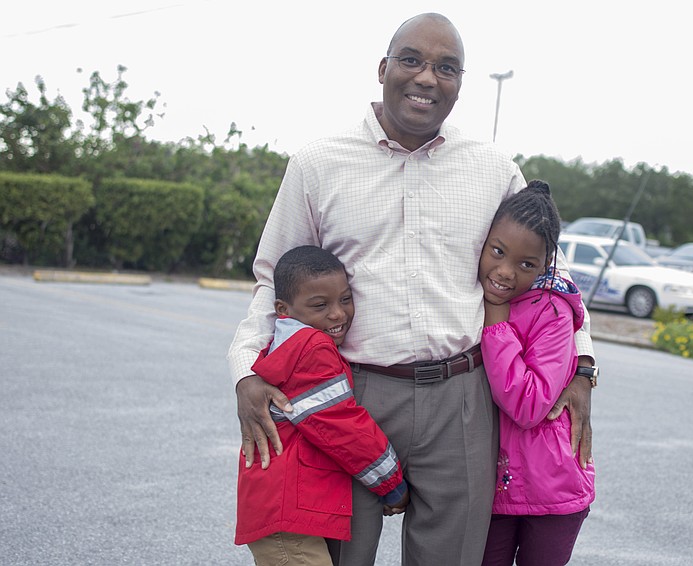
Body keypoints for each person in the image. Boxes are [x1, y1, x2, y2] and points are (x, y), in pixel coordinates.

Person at [227, 13, 598, 566]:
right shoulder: (318, 163)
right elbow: (271, 277)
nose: (427, 77)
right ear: (383, 69)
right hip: (353, 398)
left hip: (464, 401)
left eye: (445, 68)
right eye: (412, 61)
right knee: (343, 559)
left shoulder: (493, 169)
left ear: (459, 84)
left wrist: (583, 365)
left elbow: (548, 277)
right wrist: (245, 371)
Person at [235, 246, 409, 566]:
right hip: (286, 516)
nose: (338, 314)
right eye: (320, 305)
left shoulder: (288, 342)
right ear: (282, 309)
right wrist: (391, 483)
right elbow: (342, 426)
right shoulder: (312, 348)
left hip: (278, 510)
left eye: (345, 299)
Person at [478, 181, 595, 566]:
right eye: (498, 252)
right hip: (492, 489)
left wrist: (497, 325)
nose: (506, 272)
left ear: (547, 265)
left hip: (552, 491)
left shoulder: (552, 311)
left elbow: (529, 404)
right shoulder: (469, 293)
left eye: (526, 264)